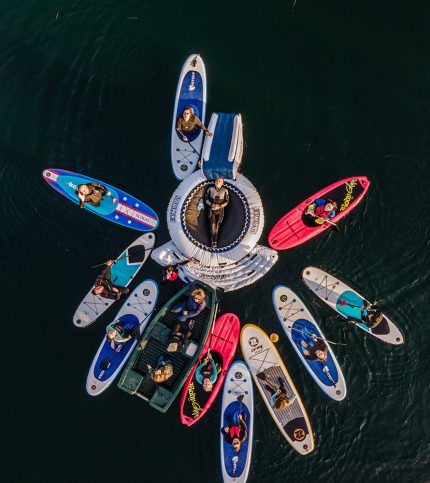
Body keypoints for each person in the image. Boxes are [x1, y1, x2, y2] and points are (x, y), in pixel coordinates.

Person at [204, 176, 230, 248]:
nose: (218, 182)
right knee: (213, 224)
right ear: (214, 182)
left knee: (217, 225)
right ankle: (213, 241)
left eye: (219, 181)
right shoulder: (210, 189)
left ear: (222, 183)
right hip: (211, 210)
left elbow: (227, 201)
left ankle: (215, 241)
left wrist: (220, 206)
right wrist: (212, 204)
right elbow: (206, 199)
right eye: (216, 180)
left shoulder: (225, 190)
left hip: (220, 210)